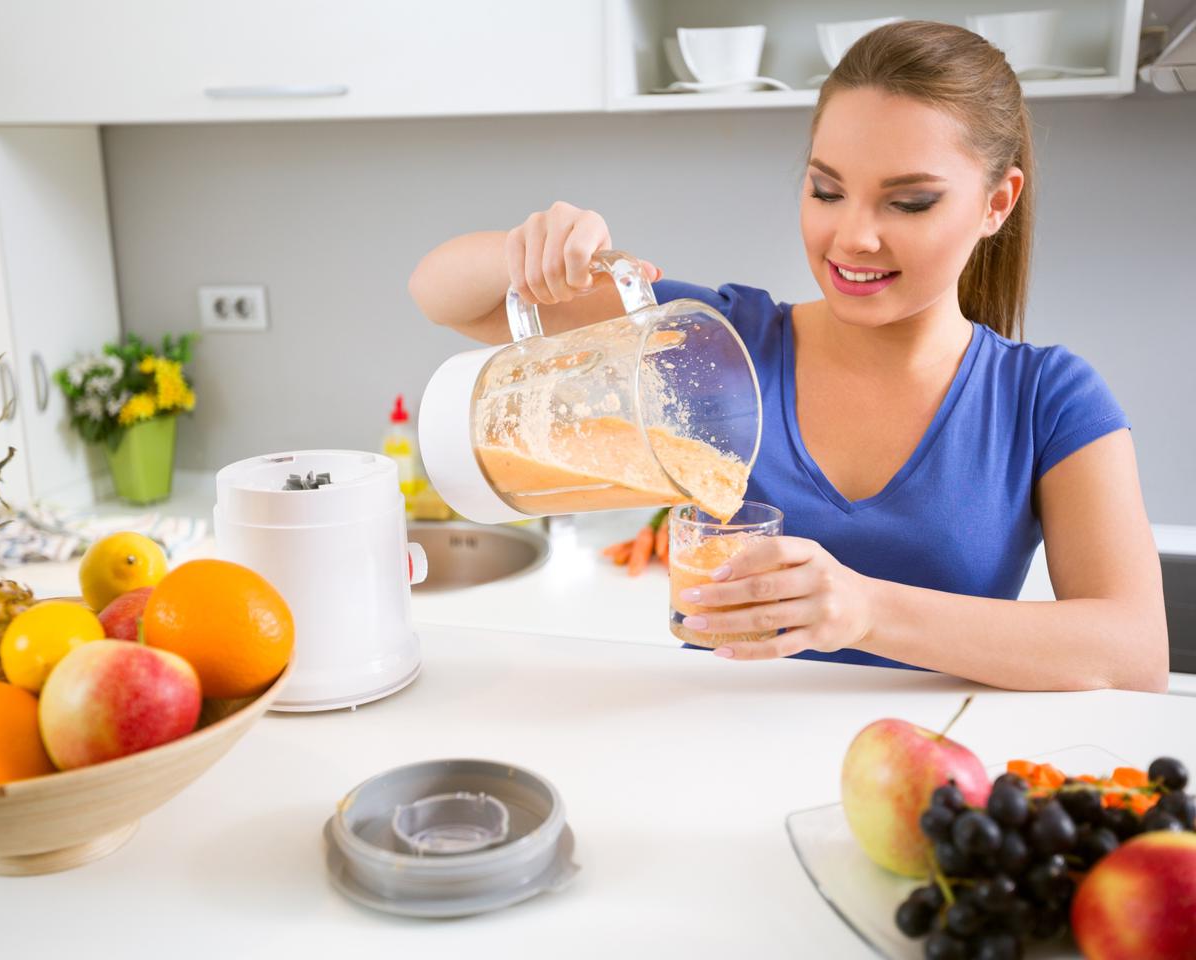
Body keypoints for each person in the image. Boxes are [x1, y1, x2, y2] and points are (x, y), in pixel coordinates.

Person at [407, 21, 1167, 692]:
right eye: (827, 190)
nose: (852, 238)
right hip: (728, 771)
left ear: (996, 203)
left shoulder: (1048, 398)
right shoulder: (714, 340)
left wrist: (864, 610)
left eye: (908, 202)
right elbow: (446, 295)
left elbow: (1133, 653)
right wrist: (535, 246)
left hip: (937, 783)